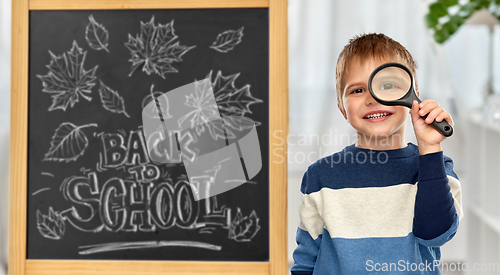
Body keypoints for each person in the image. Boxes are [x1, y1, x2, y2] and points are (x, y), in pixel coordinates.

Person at [291, 33, 463, 275]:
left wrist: (430, 148)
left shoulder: (436, 166)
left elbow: (436, 234)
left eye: (388, 86)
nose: (372, 98)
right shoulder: (320, 176)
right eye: (358, 90)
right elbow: (306, 260)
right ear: (342, 109)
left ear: (413, 98)